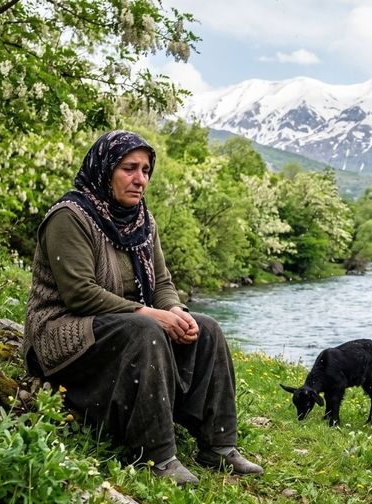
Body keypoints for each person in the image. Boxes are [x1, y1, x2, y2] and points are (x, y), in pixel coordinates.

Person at [21, 130, 263, 486]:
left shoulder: (142, 221)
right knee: (146, 329)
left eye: (146, 170)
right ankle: (156, 456)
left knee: (206, 327)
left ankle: (218, 445)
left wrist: (176, 312)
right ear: (105, 169)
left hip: (119, 326)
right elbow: (79, 294)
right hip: (63, 332)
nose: (140, 179)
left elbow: (162, 283)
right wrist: (149, 314)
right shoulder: (69, 217)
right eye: (129, 168)